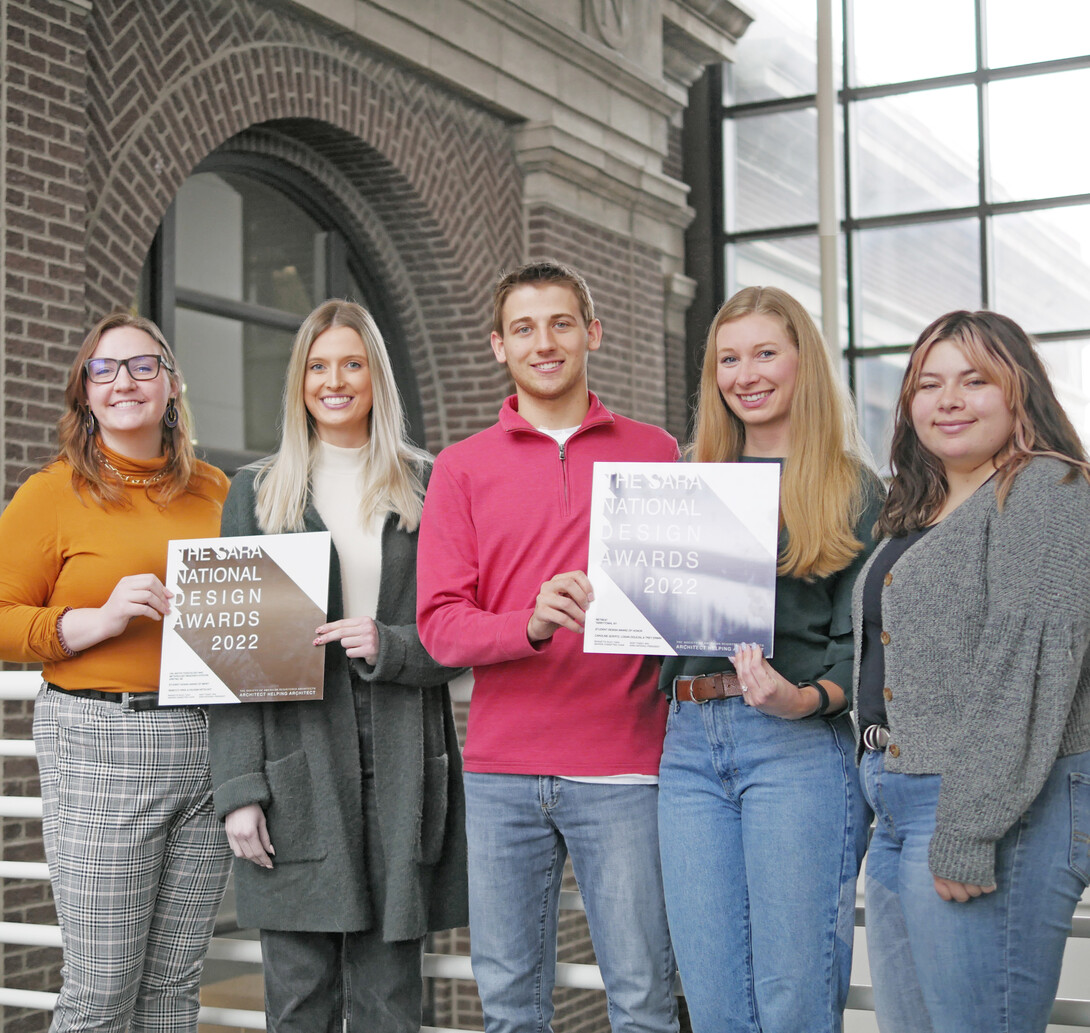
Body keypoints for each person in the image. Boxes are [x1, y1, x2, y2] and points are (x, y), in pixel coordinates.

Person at [416, 261, 680, 1033]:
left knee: (642, 999)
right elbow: (438, 626)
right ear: (499, 347)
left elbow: (686, 599)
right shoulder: (461, 469)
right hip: (501, 772)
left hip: (627, 761)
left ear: (592, 333)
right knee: (510, 1006)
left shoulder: (656, 451)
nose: (545, 342)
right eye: (524, 328)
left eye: (562, 323)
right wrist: (527, 623)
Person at [208, 299, 467, 1033]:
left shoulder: (431, 485)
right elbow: (234, 663)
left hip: (402, 762)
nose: (335, 380)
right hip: (298, 764)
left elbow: (456, 630)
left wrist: (392, 645)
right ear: (299, 382)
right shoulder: (255, 495)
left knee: (390, 1002)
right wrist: (239, 789)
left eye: (352, 364)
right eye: (318, 366)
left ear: (375, 377)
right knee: (298, 1000)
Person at [852, 310, 1090, 1033]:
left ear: (1020, 392)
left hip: (991, 804)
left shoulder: (1048, 489)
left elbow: (1023, 666)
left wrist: (968, 827)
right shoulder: (919, 509)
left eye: (974, 380)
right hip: (900, 800)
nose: (947, 399)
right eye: (928, 383)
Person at [657, 286, 881, 1033]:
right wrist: (619, 593)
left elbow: (873, 645)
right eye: (729, 358)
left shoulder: (853, 488)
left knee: (793, 1003)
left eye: (764, 353)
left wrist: (805, 697)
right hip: (688, 748)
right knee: (716, 1007)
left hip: (796, 750)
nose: (745, 373)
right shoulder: (688, 484)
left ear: (801, 362)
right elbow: (659, 624)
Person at [0, 312, 232, 1030]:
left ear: (171, 385)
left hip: (210, 740)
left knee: (172, 991)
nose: (123, 381)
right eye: (103, 369)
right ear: (86, 394)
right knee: (101, 991)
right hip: (103, 734)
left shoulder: (218, 489)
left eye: (141, 365)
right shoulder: (52, 493)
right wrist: (92, 621)